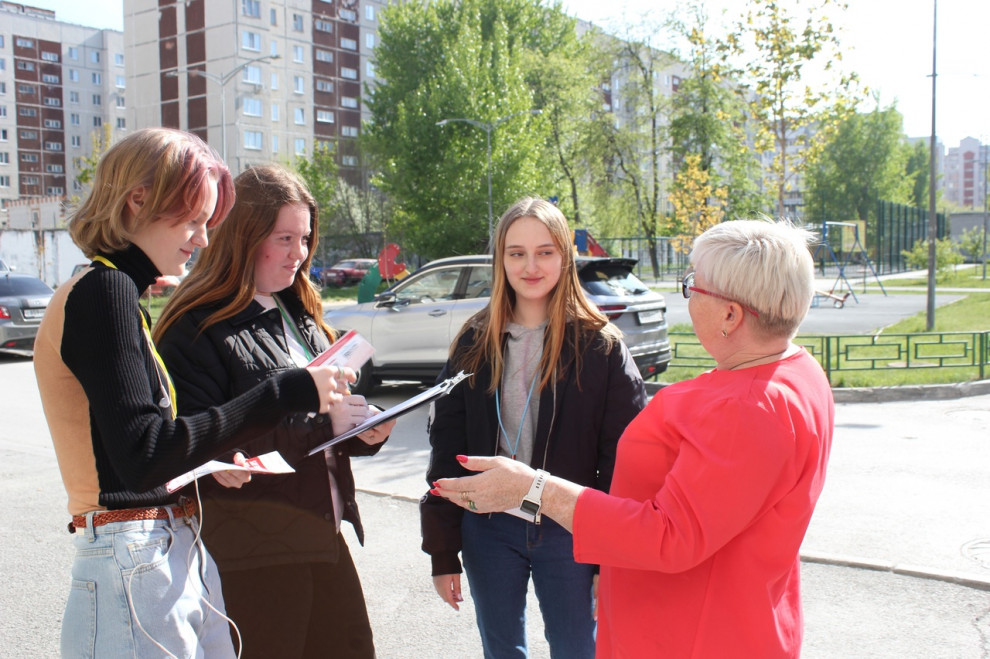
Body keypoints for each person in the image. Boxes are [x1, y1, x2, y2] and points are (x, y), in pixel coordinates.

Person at [432, 218, 835, 658]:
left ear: (731, 314)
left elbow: (670, 536)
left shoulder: (749, 406)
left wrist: (536, 490)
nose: (688, 295)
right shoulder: (792, 372)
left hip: (697, 634)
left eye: (692, 286)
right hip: (722, 618)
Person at [33, 128, 352, 659]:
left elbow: (144, 448)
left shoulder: (114, 292)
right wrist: (283, 392)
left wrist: (213, 456)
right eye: (193, 219)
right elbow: (143, 456)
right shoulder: (104, 291)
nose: (203, 238)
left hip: (154, 548)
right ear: (138, 201)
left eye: (208, 222)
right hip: (132, 550)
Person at [153, 164, 394, 659]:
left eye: (304, 238)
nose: (299, 254)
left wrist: (363, 428)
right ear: (242, 237)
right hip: (253, 550)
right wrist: (326, 423)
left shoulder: (297, 311)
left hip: (320, 534)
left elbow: (320, 415)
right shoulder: (195, 328)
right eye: (284, 238)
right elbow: (204, 446)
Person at [420, 197, 647, 658]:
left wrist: (613, 556)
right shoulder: (473, 340)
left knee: (577, 650)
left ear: (565, 256)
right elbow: (446, 447)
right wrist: (443, 550)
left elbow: (623, 458)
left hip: (571, 528)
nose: (530, 266)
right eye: (516, 253)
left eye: (545, 251)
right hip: (489, 529)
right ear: (500, 259)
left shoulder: (600, 346)